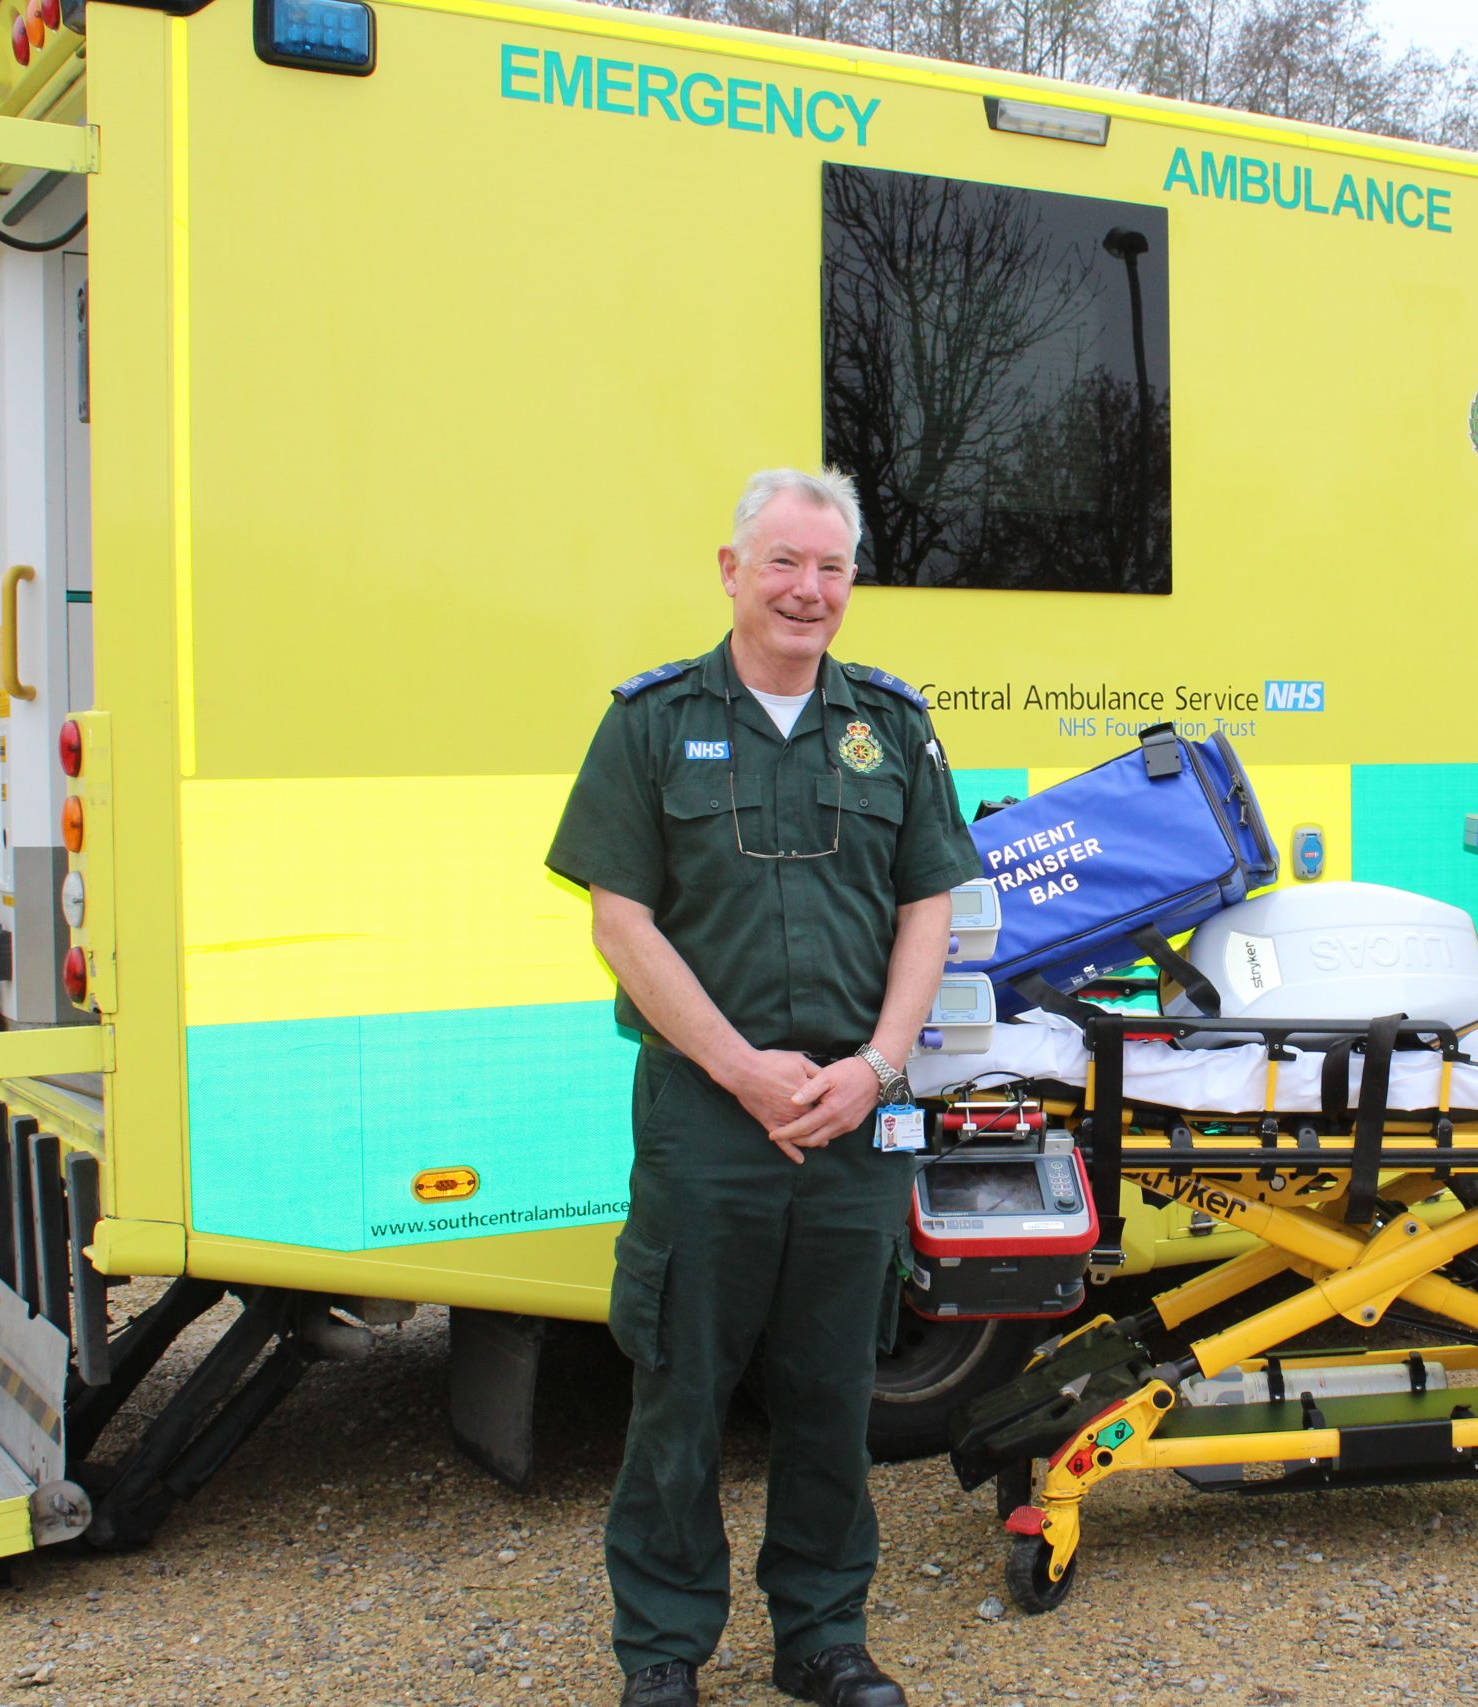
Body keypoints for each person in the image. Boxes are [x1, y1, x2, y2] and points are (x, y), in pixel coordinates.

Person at [546, 468, 982, 1707]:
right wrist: (738, 1071)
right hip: (706, 1123)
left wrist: (878, 1067)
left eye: (831, 566)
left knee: (831, 1398)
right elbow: (621, 922)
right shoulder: (649, 724)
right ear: (732, 572)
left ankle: (824, 1638)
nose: (809, 589)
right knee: (679, 1395)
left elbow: (927, 910)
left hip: (853, 1123)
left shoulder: (890, 728)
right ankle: (665, 1652)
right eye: (784, 562)